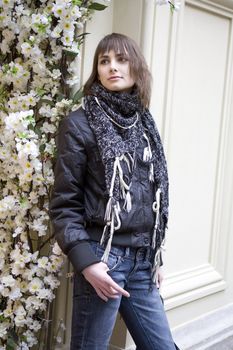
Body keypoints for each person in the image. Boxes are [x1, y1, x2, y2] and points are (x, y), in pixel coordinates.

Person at [50, 33, 178, 350]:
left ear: (136, 67)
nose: (113, 67)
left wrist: (155, 256)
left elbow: (149, 196)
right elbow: (64, 205)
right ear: (97, 70)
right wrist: (88, 264)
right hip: (103, 259)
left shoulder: (144, 122)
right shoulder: (79, 124)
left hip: (142, 261)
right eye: (104, 61)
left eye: (121, 59)